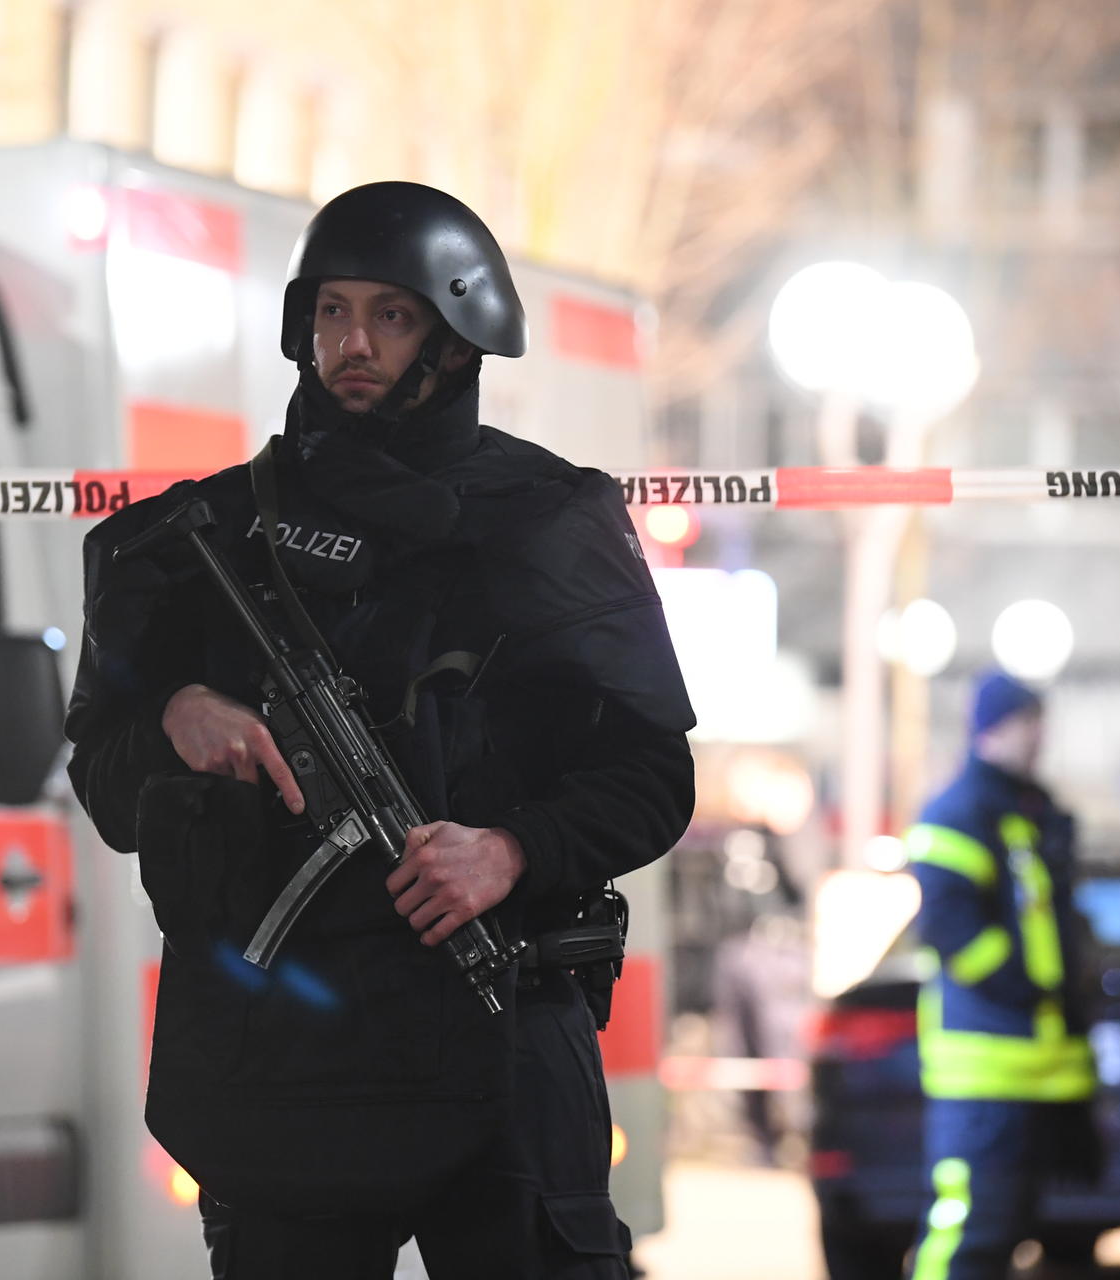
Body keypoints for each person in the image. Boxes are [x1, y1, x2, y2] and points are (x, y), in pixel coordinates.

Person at [64, 181, 696, 1279]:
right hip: (286, 1055)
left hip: (500, 1018)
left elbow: (653, 775)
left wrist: (512, 850)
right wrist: (174, 714)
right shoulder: (194, 541)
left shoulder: (551, 524)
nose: (353, 343)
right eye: (332, 312)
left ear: (458, 335)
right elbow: (107, 783)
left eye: (392, 315)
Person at [902, 671, 1096, 1280]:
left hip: (1040, 1068)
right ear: (993, 729)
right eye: (1028, 723)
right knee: (968, 1232)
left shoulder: (1031, 814)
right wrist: (1021, 987)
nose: (1039, 738)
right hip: (983, 1068)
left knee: (1009, 1236)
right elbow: (949, 926)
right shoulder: (957, 811)